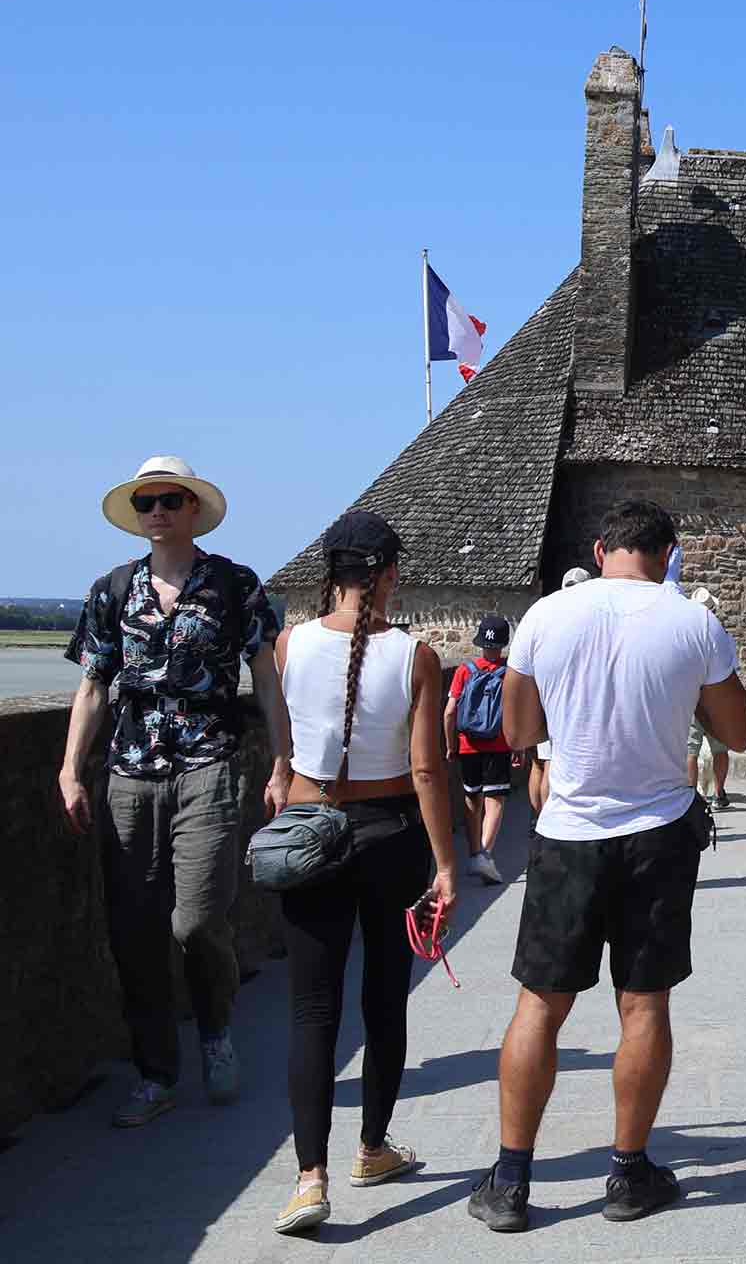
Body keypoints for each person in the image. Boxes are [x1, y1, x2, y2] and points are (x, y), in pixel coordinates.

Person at [468, 501, 746, 1233]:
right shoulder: (693, 622)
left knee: (540, 1005)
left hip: (568, 832)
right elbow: (738, 734)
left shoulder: (546, 617)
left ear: (601, 550)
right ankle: (628, 1175)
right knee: (644, 1003)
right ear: (669, 554)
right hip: (656, 831)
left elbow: (520, 730)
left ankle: (509, 1180)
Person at [58, 456, 287, 1128]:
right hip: (129, 774)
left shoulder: (234, 586)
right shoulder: (112, 589)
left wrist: (282, 763)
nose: (156, 510)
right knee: (133, 931)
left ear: (193, 509)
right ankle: (156, 1072)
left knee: (195, 920)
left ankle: (214, 1032)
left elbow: (267, 681)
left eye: (169, 499)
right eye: (146, 501)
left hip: (208, 767)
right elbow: (93, 685)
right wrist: (71, 769)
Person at [266, 511, 464, 1234]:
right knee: (384, 1001)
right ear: (385, 573)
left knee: (311, 1012)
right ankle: (372, 1148)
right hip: (390, 837)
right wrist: (446, 862)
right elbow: (426, 770)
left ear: (330, 572)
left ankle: (309, 1179)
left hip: (309, 835)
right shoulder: (415, 657)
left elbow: (283, 751)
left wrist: (284, 788)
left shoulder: (289, 645)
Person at [444, 612, 515, 884]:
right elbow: (512, 713)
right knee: (495, 800)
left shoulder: (464, 671)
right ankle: (483, 855)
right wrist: (516, 745)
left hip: (468, 744)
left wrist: (451, 746)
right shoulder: (509, 674)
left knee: (472, 797)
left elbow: (450, 712)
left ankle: (475, 852)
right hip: (498, 743)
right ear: (503, 643)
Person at [522, 567, 592, 815]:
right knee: (551, 763)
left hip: (543, 698)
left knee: (539, 765)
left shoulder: (547, 617)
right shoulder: (587, 621)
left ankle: (539, 817)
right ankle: (550, 816)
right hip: (566, 703)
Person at [682, 588, 733, 812]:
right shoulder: (722, 637)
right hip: (717, 698)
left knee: (691, 749)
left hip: (692, 696)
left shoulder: (685, 638)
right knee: (719, 749)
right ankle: (719, 793)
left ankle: (691, 795)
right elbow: (732, 669)